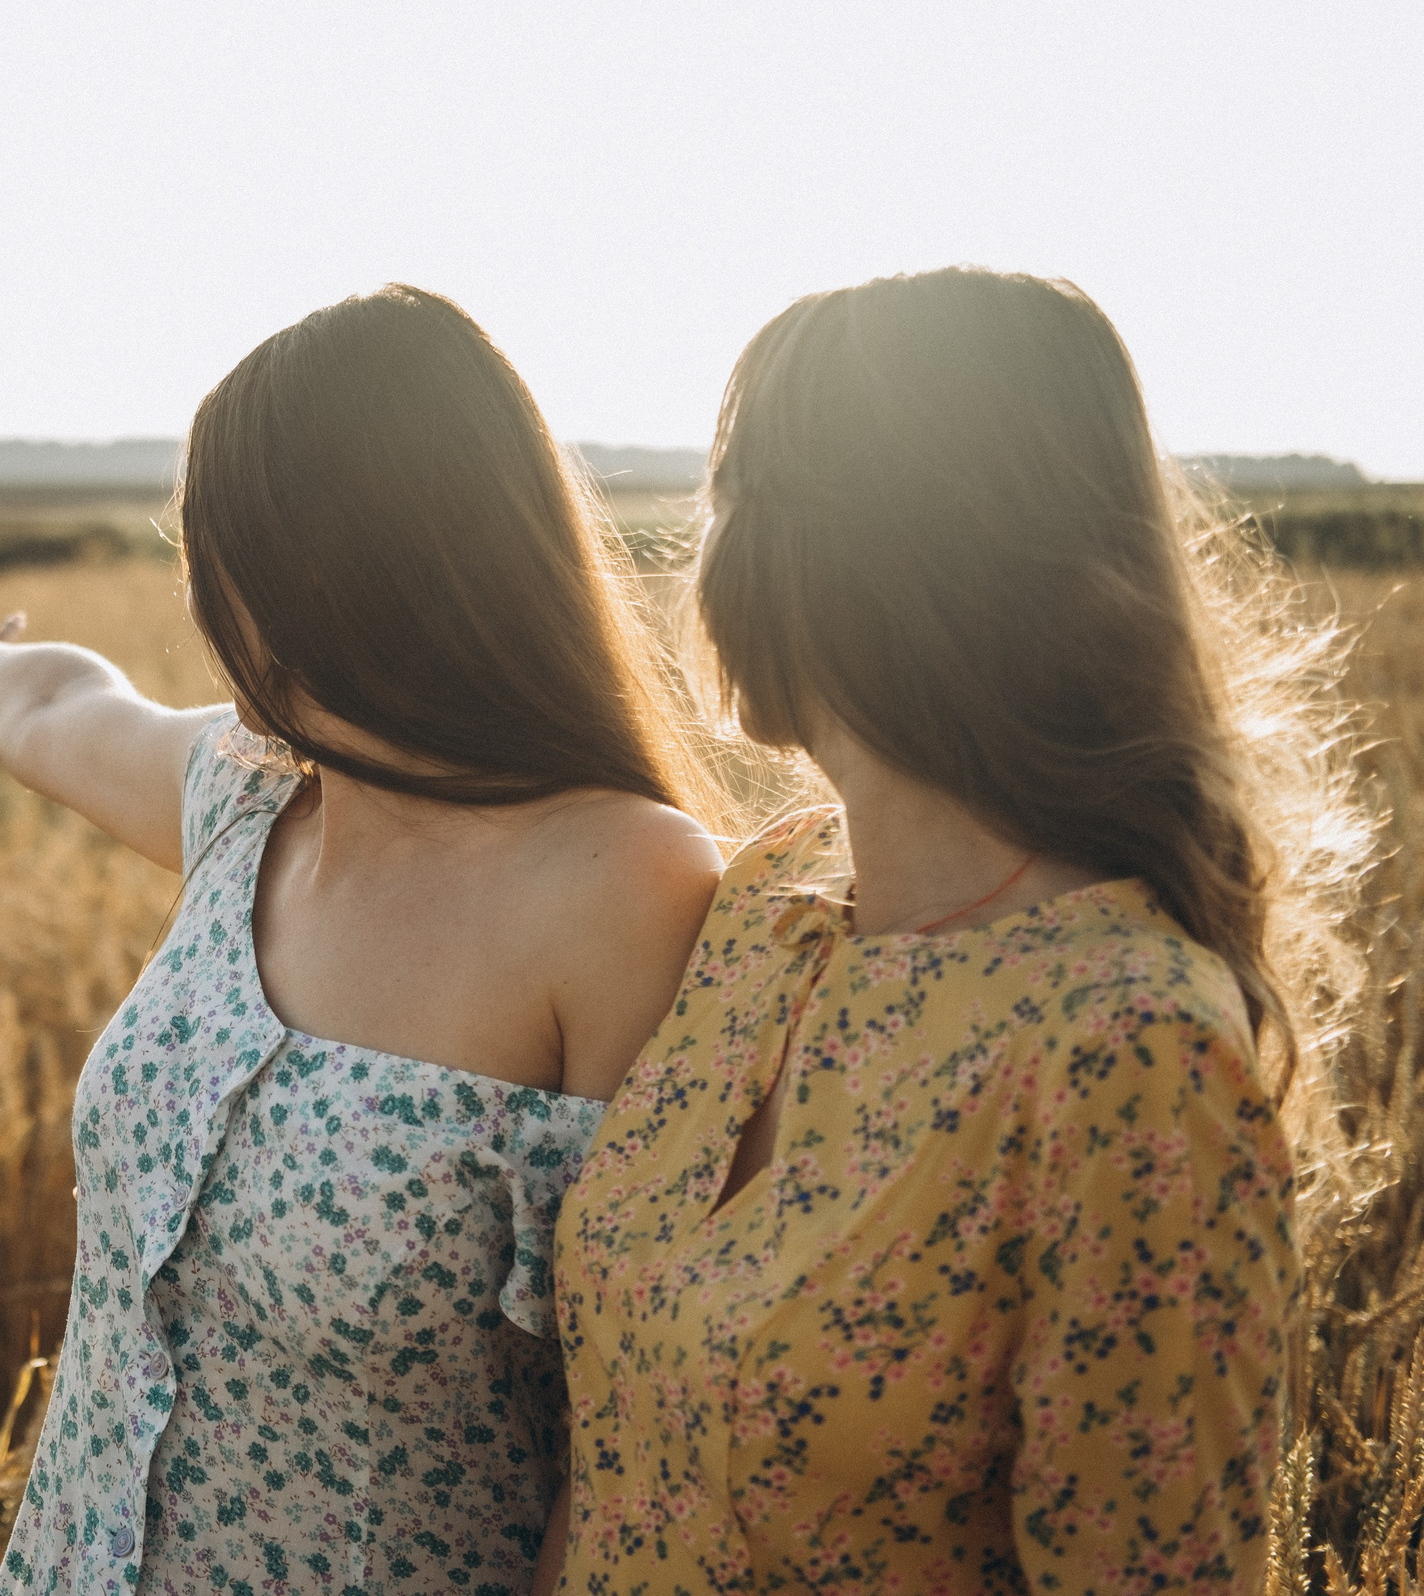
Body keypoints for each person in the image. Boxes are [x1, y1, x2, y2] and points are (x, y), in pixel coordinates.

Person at [0, 286, 724, 1595]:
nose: (201, 594)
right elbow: (60, 703)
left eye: (220, 552)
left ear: (337, 562)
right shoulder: (251, 791)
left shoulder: (627, 884)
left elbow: (631, 1436)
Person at [543, 267, 1363, 1592]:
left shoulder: (1130, 1050)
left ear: (863, 554)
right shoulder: (772, 903)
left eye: (734, 498)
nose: (703, 558)